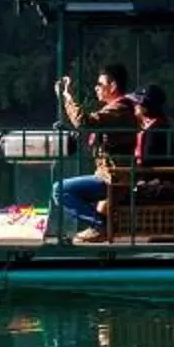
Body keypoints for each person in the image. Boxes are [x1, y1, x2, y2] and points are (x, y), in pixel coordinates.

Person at [53, 62, 139, 235]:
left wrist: (67, 97)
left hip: (114, 177)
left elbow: (84, 123)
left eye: (100, 84)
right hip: (109, 174)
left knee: (60, 190)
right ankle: (98, 224)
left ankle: (100, 225)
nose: (96, 88)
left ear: (113, 86)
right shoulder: (117, 109)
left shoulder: (120, 109)